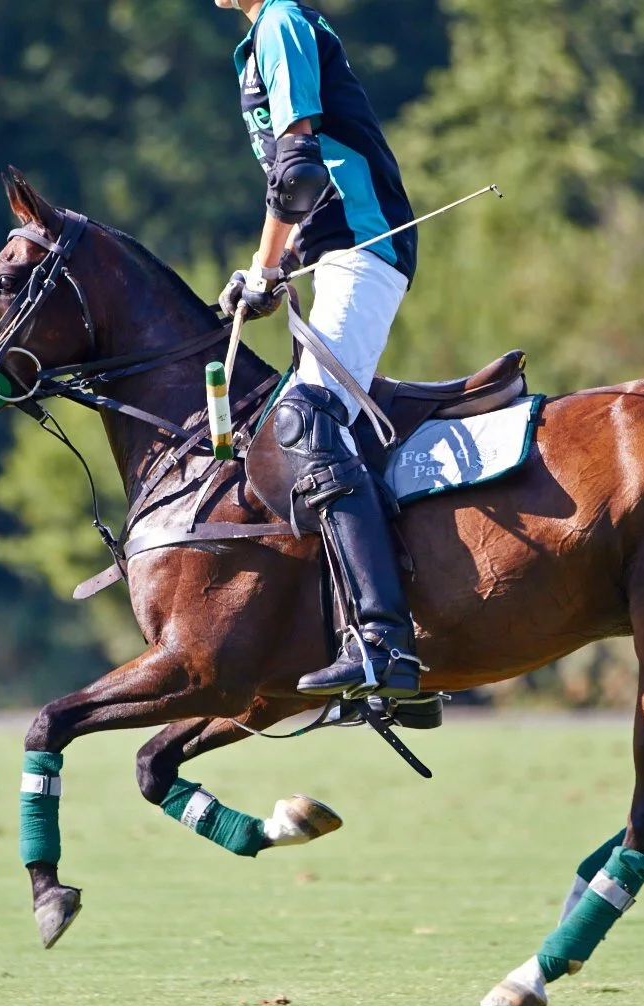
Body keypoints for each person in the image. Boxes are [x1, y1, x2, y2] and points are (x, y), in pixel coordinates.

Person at [212, 0, 423, 700]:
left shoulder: (280, 22)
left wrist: (264, 264)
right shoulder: (261, 40)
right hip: (335, 251)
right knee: (307, 435)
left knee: (306, 420)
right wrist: (275, 268)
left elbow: (298, 169)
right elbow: (312, 184)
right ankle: (380, 656)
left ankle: (387, 645)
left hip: (366, 246)